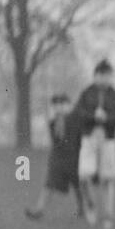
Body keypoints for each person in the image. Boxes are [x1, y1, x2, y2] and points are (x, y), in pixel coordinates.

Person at [75, 60, 115, 229]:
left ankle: (107, 217)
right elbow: (78, 114)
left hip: (107, 140)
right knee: (83, 175)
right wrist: (92, 116)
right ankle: (90, 204)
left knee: (108, 179)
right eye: (101, 75)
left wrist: (107, 118)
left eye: (108, 75)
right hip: (89, 139)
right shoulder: (86, 93)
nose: (104, 79)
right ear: (95, 75)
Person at [25, 93, 85, 221]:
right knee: (49, 184)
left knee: (79, 186)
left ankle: (83, 209)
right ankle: (38, 210)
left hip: (75, 159)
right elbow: (57, 141)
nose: (59, 108)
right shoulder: (53, 123)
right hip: (58, 160)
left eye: (62, 104)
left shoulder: (77, 121)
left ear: (69, 105)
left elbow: (80, 140)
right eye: (56, 105)